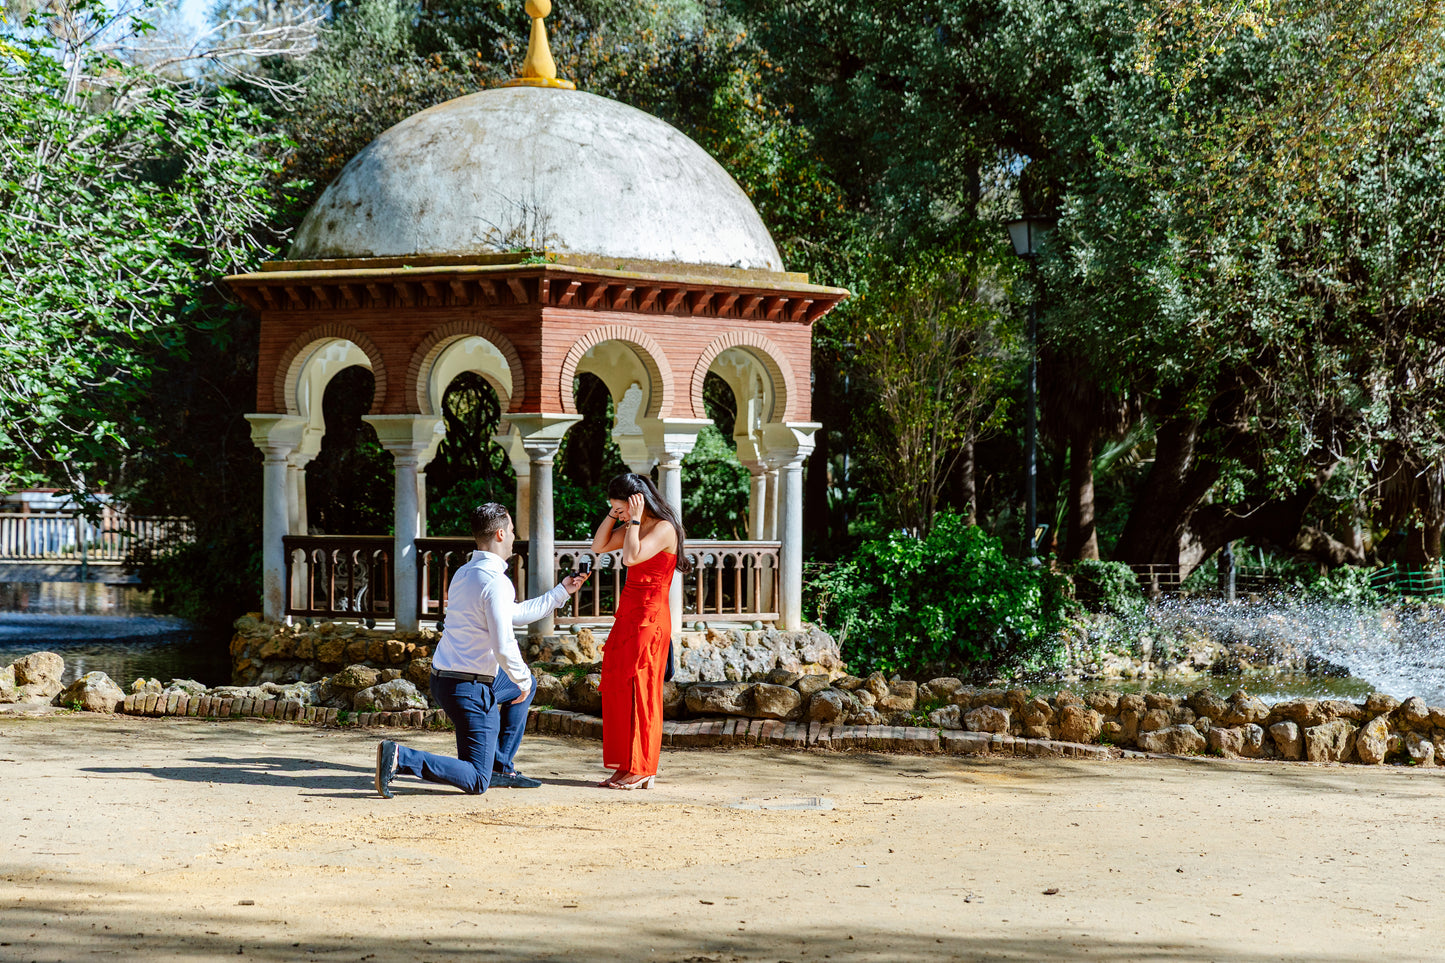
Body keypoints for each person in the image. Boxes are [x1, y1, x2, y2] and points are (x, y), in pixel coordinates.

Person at [375, 503, 588, 797]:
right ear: (501, 534)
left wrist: (561, 591)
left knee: (520, 687)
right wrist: (523, 679)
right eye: (512, 530)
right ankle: (401, 756)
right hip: (469, 688)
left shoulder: (466, 573)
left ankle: (500, 765)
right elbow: (503, 645)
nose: (514, 536)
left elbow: (511, 614)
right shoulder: (495, 582)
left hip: (446, 680)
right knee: (476, 779)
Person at [589, 473, 692, 789]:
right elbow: (598, 545)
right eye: (616, 511)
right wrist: (614, 514)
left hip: (651, 619)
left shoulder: (663, 529)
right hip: (628, 616)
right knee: (620, 688)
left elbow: (631, 556)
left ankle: (644, 767)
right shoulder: (634, 526)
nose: (618, 516)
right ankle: (627, 764)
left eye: (620, 508)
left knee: (644, 691)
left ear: (638, 501)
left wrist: (631, 520)